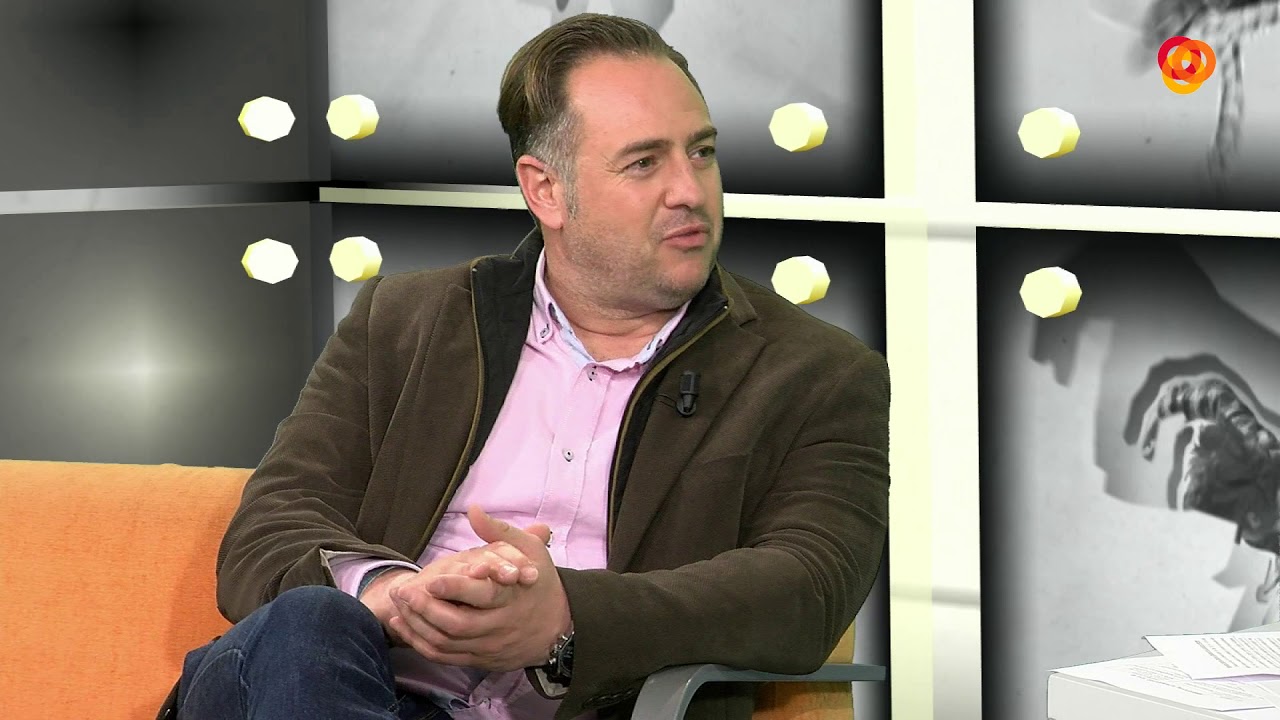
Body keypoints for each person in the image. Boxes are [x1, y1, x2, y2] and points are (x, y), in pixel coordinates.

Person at [161, 12, 889, 720]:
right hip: (361, 685)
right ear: (546, 189)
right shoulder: (402, 323)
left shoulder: (816, 373)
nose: (690, 191)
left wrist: (567, 617)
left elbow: (809, 586)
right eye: (644, 162)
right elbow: (270, 527)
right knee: (311, 623)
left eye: (701, 152)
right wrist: (388, 594)